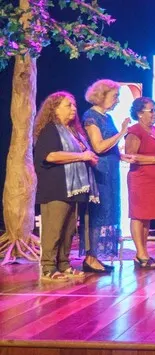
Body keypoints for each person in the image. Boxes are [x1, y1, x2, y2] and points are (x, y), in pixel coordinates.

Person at [33, 91, 99, 281]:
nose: (74, 108)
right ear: (54, 108)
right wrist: (81, 156)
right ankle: (48, 267)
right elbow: (50, 156)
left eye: (74, 105)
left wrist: (89, 158)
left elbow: (84, 153)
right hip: (56, 187)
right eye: (68, 105)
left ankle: (63, 264)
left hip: (73, 188)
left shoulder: (73, 131)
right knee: (54, 229)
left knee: (69, 230)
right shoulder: (50, 129)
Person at [79, 79, 129, 273]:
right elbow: (98, 146)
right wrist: (123, 132)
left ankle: (96, 257)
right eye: (115, 96)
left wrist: (121, 155)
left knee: (108, 211)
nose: (117, 101)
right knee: (98, 214)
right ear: (101, 96)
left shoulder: (107, 117)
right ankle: (91, 258)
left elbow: (109, 147)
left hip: (111, 171)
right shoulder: (91, 116)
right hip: (99, 172)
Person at [124, 97, 155, 269]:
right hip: (141, 179)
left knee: (147, 217)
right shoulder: (135, 131)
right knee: (138, 215)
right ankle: (140, 253)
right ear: (139, 113)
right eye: (151, 110)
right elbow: (130, 156)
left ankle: (143, 252)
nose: (154, 114)